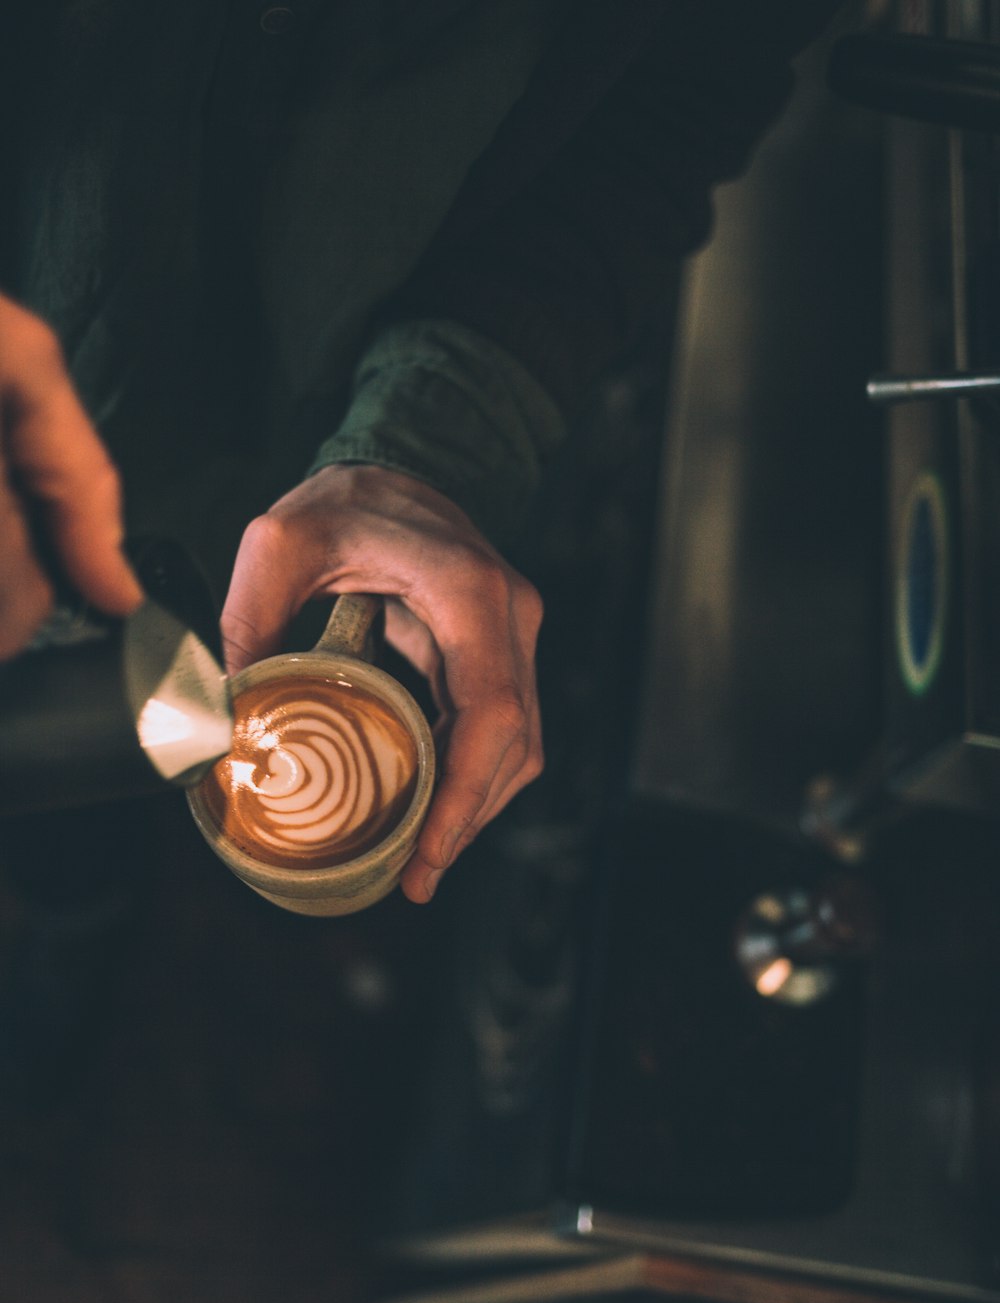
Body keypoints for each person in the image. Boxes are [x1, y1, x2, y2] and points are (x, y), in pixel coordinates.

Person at [0, 0, 843, 902]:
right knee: (56, 844)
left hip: (314, 484)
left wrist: (430, 438)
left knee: (99, 843)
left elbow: (675, 100)